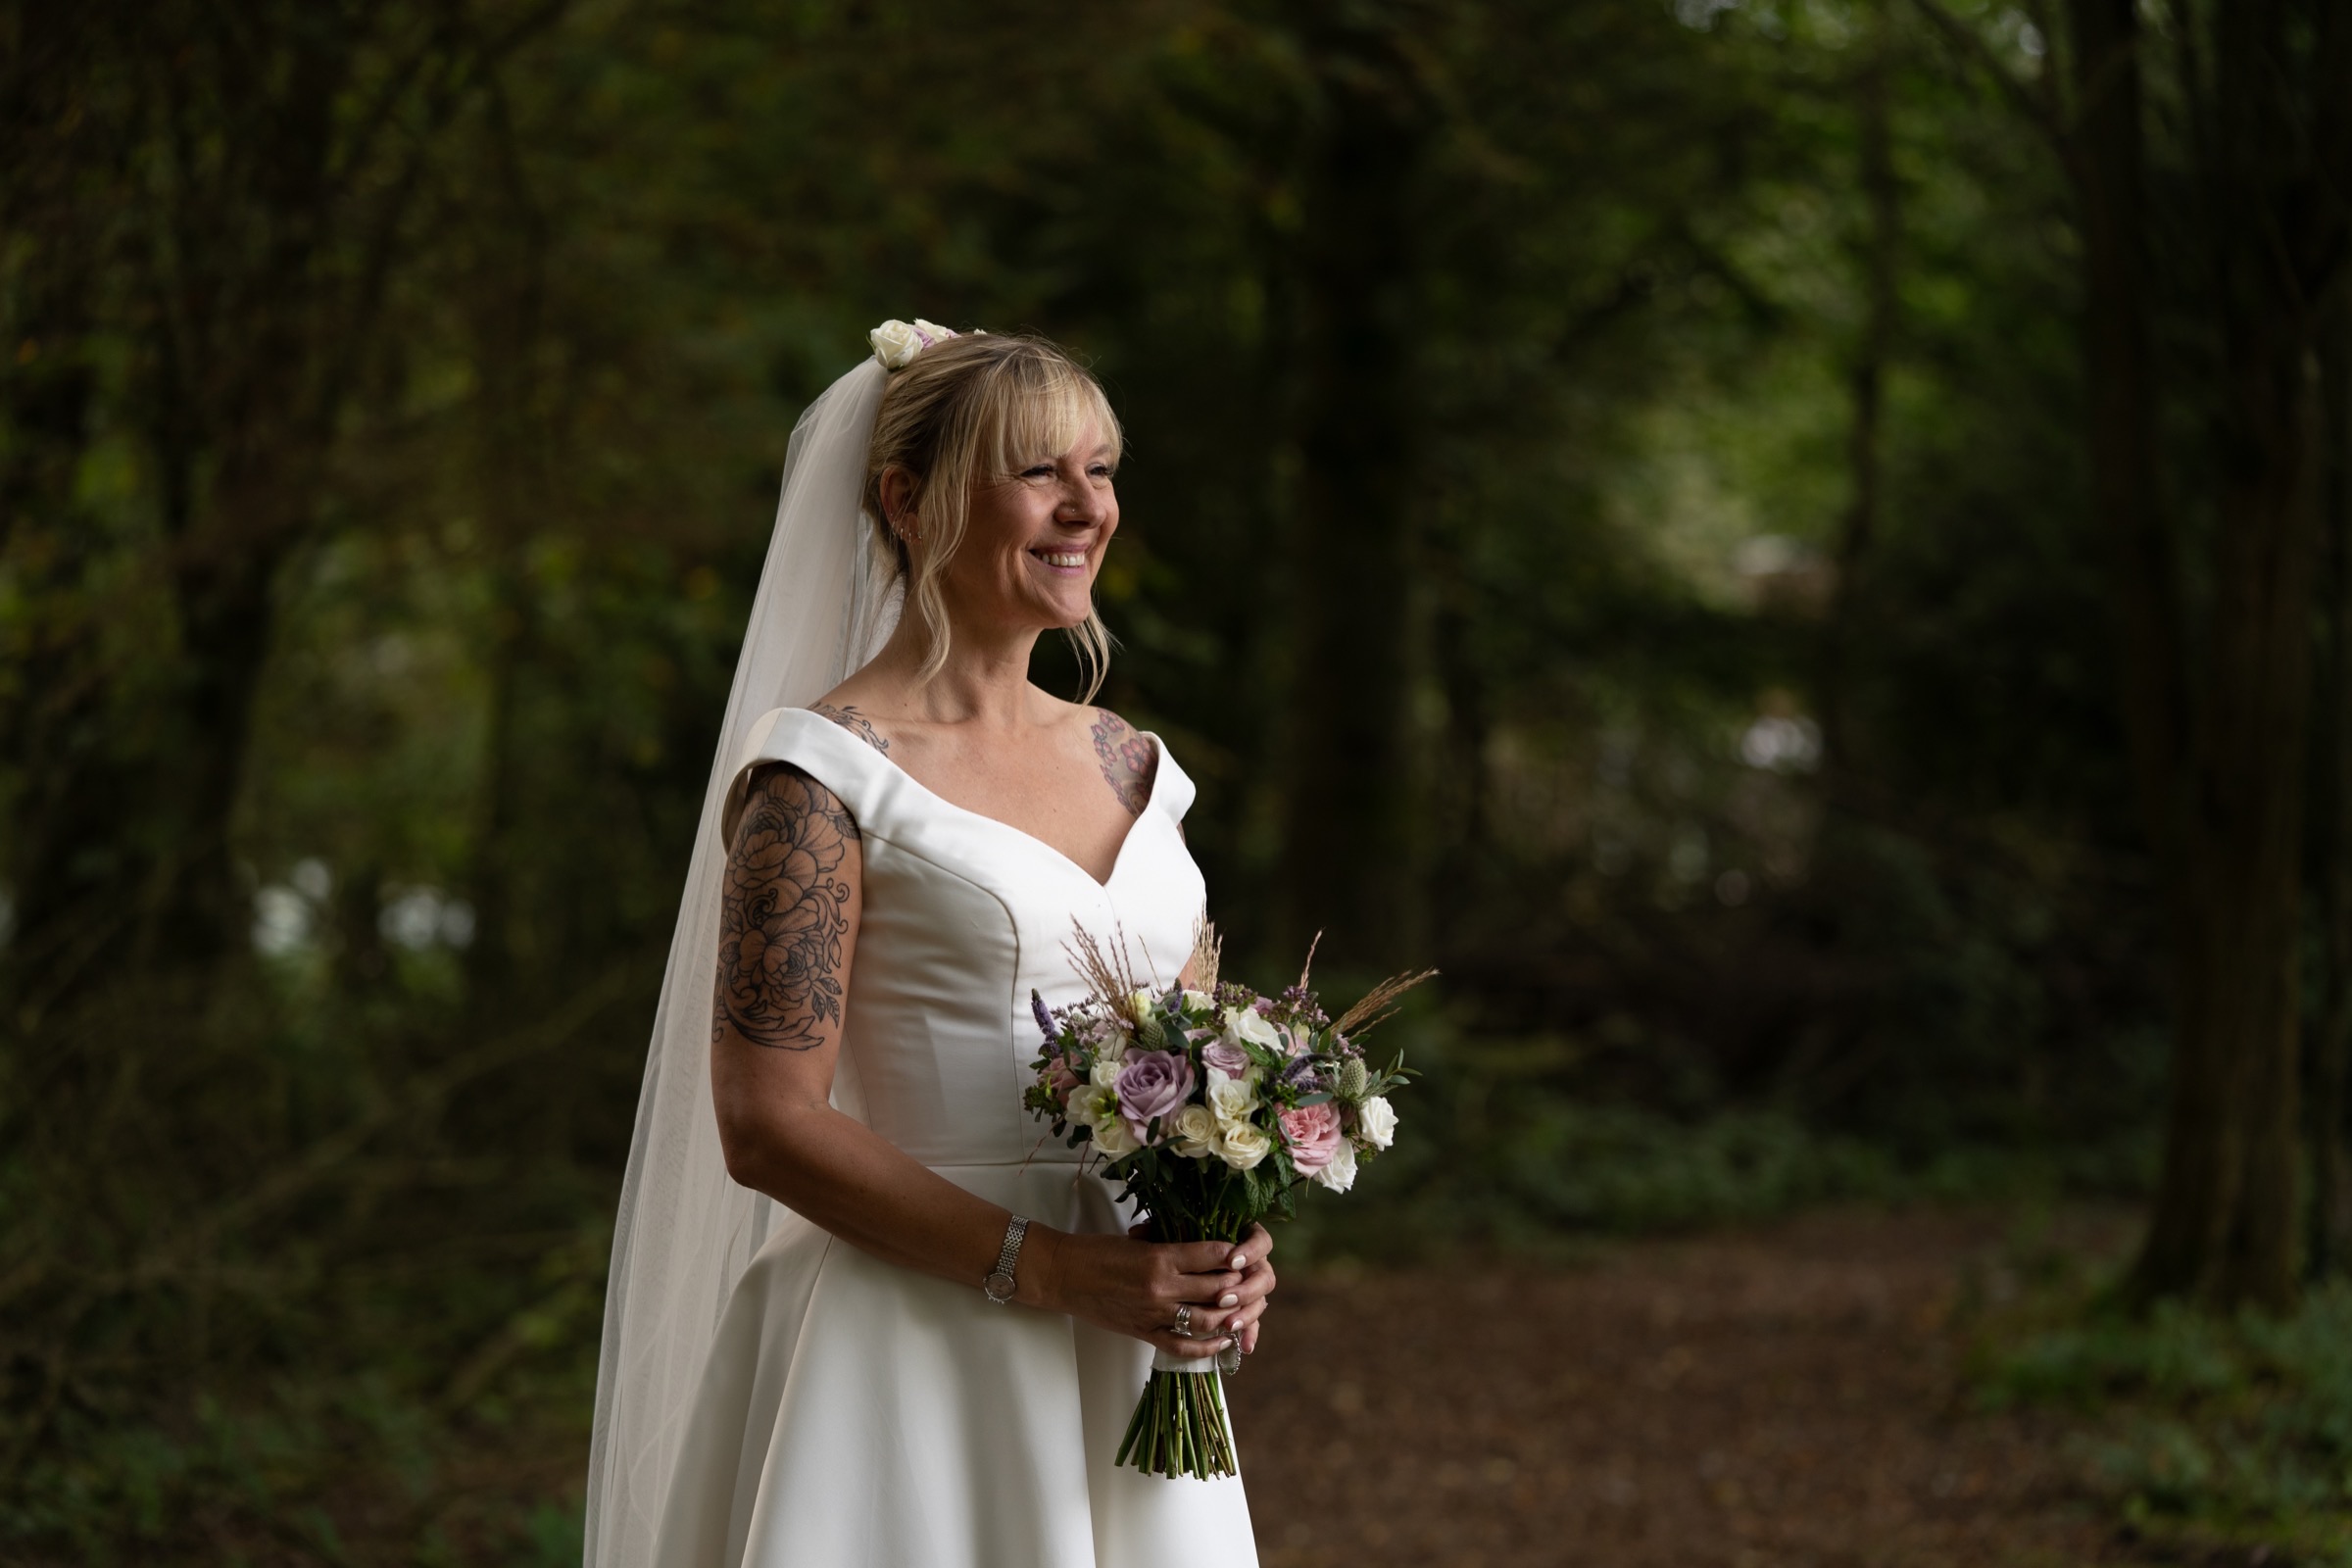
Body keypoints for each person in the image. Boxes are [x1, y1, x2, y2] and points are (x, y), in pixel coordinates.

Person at [585, 323, 1272, 1568]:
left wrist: (1224, 1220)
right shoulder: (822, 779)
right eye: (1039, 472)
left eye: (1103, 469)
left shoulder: (1133, 763)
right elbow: (767, 1123)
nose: (1087, 508)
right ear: (909, 499)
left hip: (1126, 1346)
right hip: (905, 1341)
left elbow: (1189, 1059)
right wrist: (1052, 1271)